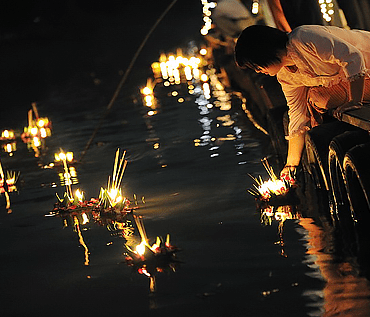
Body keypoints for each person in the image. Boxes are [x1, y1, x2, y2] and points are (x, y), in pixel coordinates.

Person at [234, 24, 370, 178]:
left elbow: (353, 57)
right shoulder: (285, 76)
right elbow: (297, 113)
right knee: (313, 99)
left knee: (318, 97)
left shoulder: (304, 38)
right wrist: (291, 165)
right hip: (357, 81)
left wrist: (354, 101)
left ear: (264, 53)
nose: (258, 71)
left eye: (255, 66)